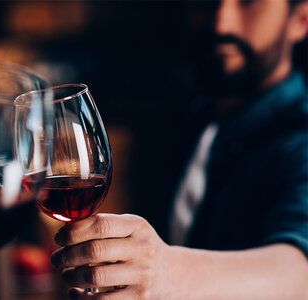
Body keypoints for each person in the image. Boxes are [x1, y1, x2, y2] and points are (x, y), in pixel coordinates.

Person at [50, 0, 308, 299]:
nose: (220, 23)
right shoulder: (186, 123)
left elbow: (300, 271)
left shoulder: (300, 136)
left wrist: (170, 274)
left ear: (300, 20)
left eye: (248, 3)